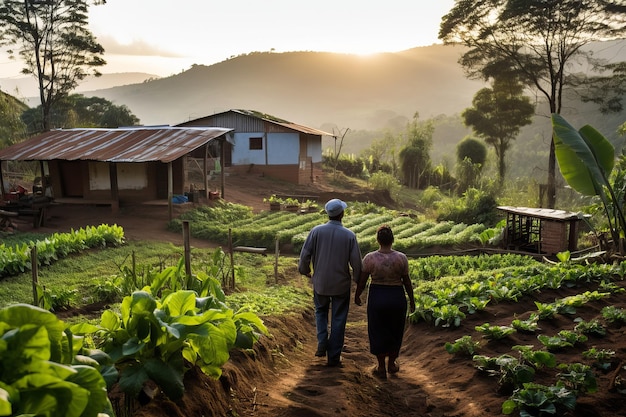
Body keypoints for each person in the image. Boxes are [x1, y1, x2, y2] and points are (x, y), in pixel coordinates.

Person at [298, 198, 362, 367]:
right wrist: (357, 279)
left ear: (328, 214)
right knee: (338, 318)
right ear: (342, 214)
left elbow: (305, 255)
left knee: (320, 311)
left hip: (320, 282)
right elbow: (356, 263)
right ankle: (333, 356)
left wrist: (305, 270)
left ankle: (321, 341)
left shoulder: (316, 231)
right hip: (341, 284)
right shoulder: (349, 235)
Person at [354, 225, 416, 379]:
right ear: (392, 239)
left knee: (377, 329)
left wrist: (357, 295)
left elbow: (362, 281)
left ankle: (381, 366)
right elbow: (407, 282)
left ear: (378, 240)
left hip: (377, 296)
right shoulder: (401, 258)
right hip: (396, 297)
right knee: (395, 329)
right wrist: (412, 301)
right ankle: (392, 364)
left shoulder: (370, 258)